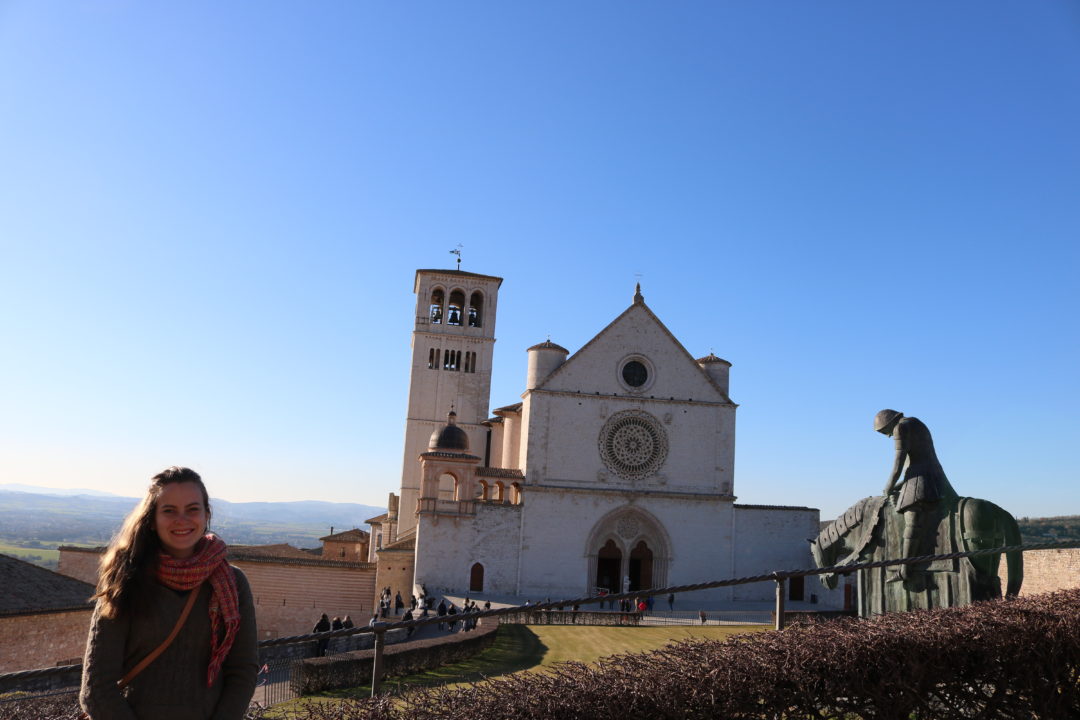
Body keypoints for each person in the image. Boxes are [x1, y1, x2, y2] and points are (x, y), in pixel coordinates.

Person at [80, 466, 257, 719]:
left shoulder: (232, 582)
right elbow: (96, 687)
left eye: (192, 509)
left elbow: (242, 671)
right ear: (152, 519)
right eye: (169, 510)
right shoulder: (126, 579)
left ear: (206, 514)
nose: (181, 520)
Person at [874, 409, 959, 580]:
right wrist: (897, 487)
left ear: (889, 422)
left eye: (884, 431)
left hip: (923, 478)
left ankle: (905, 570)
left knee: (911, 518)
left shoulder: (900, 428)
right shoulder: (916, 422)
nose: (887, 436)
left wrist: (889, 485)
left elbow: (899, 462)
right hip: (929, 474)